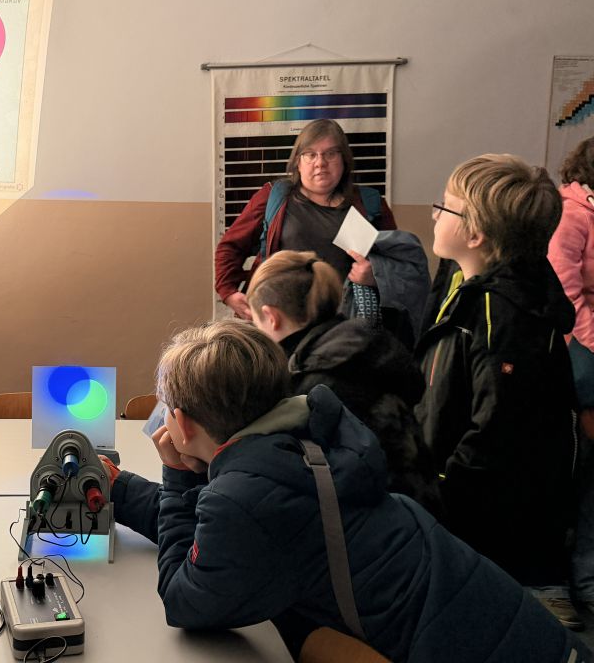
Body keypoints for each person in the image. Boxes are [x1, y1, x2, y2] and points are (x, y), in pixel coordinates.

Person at [152, 319, 587, 662]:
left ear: (183, 424)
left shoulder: (242, 501)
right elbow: (221, 535)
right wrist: (125, 487)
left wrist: (176, 474)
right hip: (528, 638)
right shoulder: (311, 442)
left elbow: (184, 600)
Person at [415, 154, 579, 626]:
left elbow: (495, 432)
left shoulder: (505, 316)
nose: (434, 214)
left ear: (476, 235)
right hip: (451, 494)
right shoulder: (458, 280)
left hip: (477, 518)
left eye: (445, 206)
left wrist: (439, 491)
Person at [246, 249, 441, 514]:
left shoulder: (317, 385)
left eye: (256, 322)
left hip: (379, 522)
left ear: (271, 317)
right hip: (421, 511)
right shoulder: (363, 347)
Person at [214, 118, 396, 320]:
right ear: (298, 163)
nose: (320, 163)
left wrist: (376, 277)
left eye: (330, 153)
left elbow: (399, 266)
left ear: (344, 160)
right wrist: (228, 291)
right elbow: (230, 247)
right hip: (277, 322)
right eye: (310, 154)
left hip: (344, 327)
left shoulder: (369, 205)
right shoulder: (273, 197)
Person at [548, 138, 594, 613]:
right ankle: (582, 577)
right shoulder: (571, 212)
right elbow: (568, 297)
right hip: (581, 343)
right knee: (585, 468)